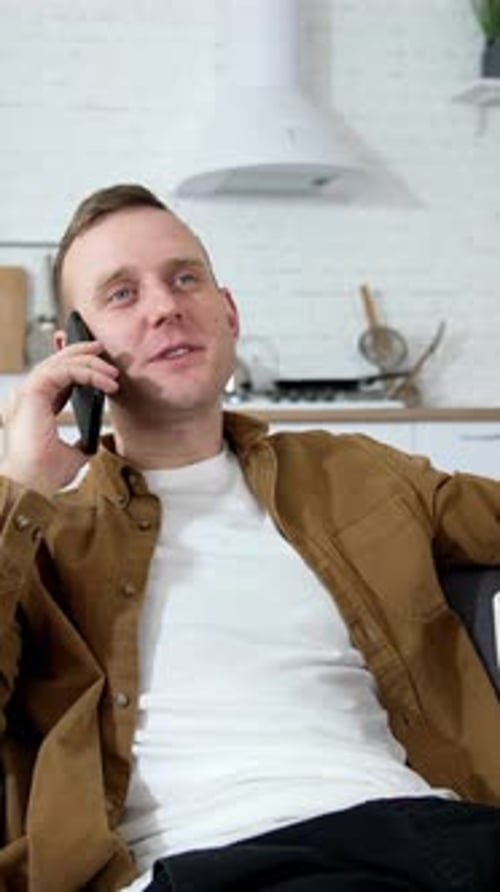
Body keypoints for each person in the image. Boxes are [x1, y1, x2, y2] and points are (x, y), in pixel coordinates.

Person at [0, 183, 498, 892]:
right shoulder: (44, 536)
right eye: (120, 294)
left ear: (226, 312)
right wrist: (21, 483)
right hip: (217, 861)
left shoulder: (358, 473)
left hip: (430, 832)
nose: (165, 305)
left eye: (184, 278)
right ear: (75, 350)